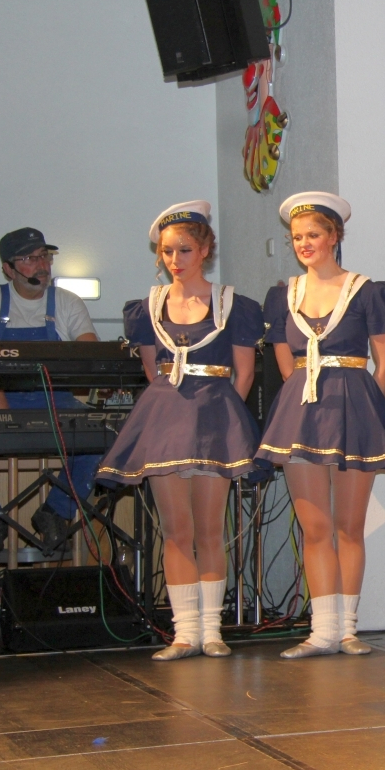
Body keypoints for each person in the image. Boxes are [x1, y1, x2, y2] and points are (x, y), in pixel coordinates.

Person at [96, 202, 263, 660]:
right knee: (175, 530)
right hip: (166, 423)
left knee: (209, 529)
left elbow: (245, 373)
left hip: (214, 422)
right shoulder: (148, 307)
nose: (175, 259)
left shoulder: (232, 304)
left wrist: (224, 419)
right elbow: (154, 372)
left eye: (184, 250)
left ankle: (212, 631)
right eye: (167, 251)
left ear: (205, 250)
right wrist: (173, 414)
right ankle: (184, 632)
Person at [256, 192, 385, 659]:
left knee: (349, 526)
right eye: (297, 237)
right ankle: (322, 631)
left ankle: (348, 630)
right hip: (302, 412)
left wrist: (367, 410)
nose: (304, 243)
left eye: (313, 235)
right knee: (314, 526)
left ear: (334, 236)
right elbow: (286, 364)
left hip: (353, 408)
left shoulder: (367, 291)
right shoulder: (282, 295)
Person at [0, 227, 99, 559]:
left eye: (44, 256)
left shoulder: (67, 301)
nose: (41, 265)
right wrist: (9, 420)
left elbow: (91, 352)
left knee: (101, 435)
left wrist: (94, 355)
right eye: (28, 258)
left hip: (54, 401)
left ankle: (55, 512)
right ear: (8, 269)